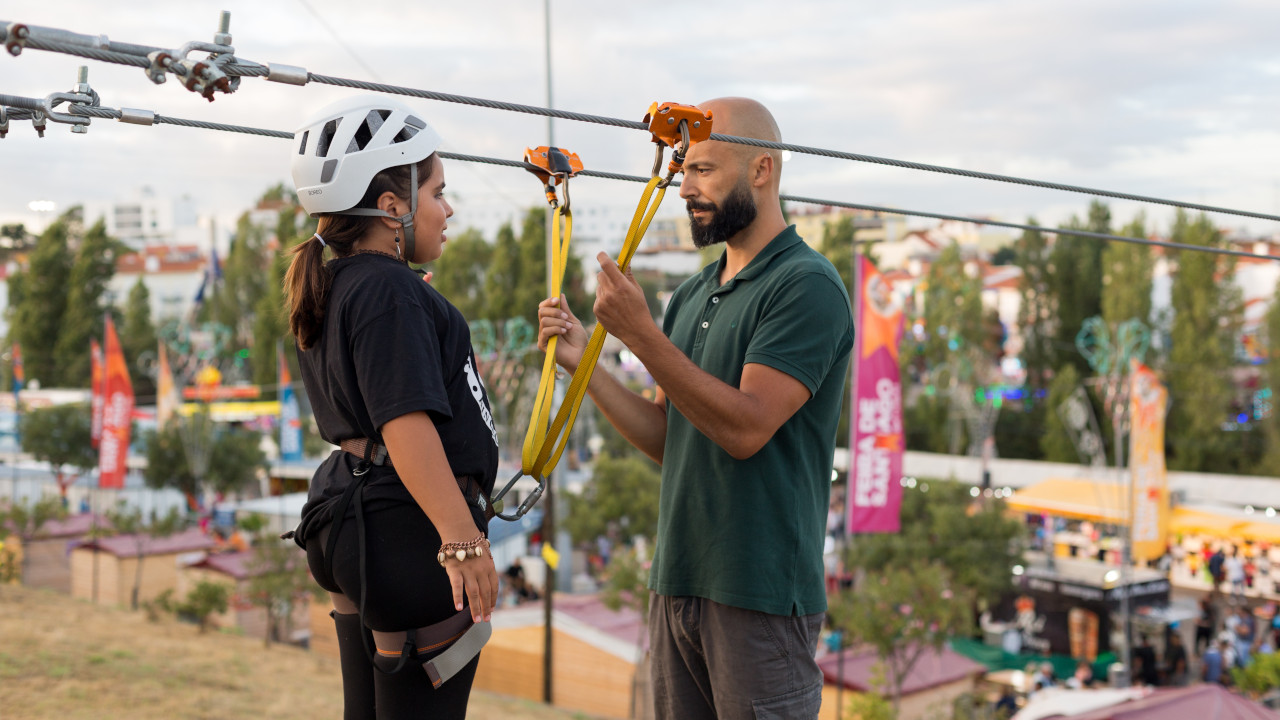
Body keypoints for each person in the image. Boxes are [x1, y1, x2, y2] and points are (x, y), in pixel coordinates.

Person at [537, 97, 854, 720]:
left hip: (759, 595)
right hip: (678, 581)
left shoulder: (805, 285)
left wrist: (641, 335)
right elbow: (668, 438)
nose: (685, 188)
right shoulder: (691, 292)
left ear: (762, 170)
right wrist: (585, 366)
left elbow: (745, 428)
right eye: (685, 171)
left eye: (703, 170)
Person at [283, 95, 500, 720]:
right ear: (391, 207)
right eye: (437, 191)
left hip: (354, 521)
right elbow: (403, 425)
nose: (448, 207)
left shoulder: (345, 283)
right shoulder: (386, 291)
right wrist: (463, 541)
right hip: (405, 534)